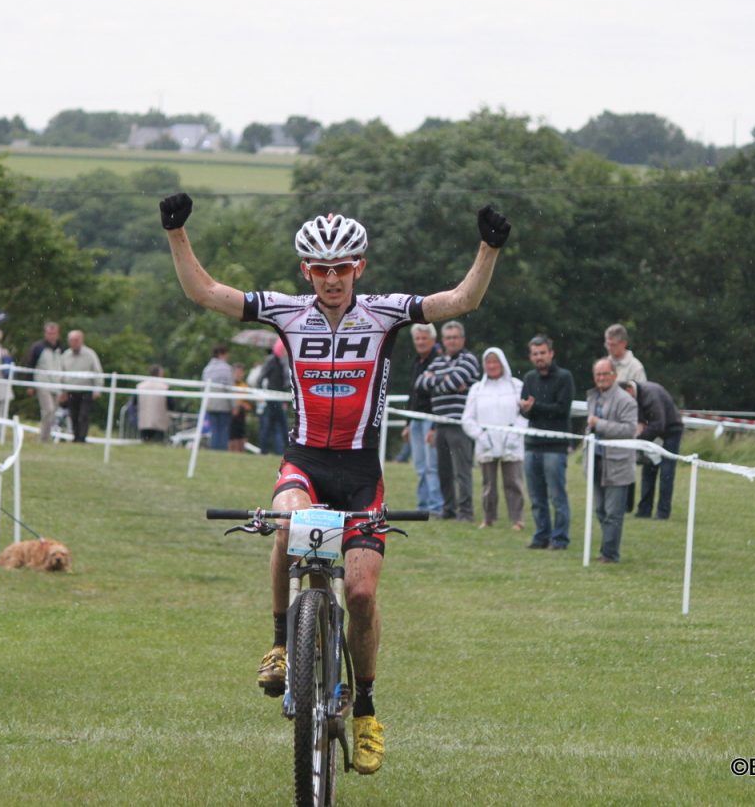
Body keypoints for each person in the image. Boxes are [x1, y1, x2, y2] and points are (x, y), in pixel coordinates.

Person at [158, 191, 511, 775]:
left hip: (360, 473)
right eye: (320, 269)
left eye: (341, 268)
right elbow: (207, 293)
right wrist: (177, 234)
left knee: (364, 595)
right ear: (307, 271)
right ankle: (280, 641)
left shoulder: (385, 312)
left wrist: (488, 248)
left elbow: (461, 300)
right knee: (288, 525)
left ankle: (367, 709)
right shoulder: (287, 311)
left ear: (358, 268)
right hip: (304, 461)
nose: (331, 279)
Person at [415, 321, 481, 522]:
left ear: (462, 339)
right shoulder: (439, 360)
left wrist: (436, 381)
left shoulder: (469, 359)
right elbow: (420, 384)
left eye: (455, 337)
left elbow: (447, 382)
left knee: (462, 471)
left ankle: (466, 512)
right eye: (448, 338)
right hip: (440, 423)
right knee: (444, 471)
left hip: (460, 424)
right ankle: (449, 509)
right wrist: (446, 382)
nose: (452, 341)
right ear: (443, 341)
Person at [460, 347, 526, 530]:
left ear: (502, 363)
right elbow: (467, 418)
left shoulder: (516, 386)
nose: (492, 366)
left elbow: (524, 414)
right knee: (488, 484)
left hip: (511, 443)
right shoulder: (477, 389)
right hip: (486, 444)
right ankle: (488, 518)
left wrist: (515, 434)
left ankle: (517, 519)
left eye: (495, 362)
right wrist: (481, 436)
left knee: (513, 482)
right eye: (488, 362)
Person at [518, 335, 574, 550]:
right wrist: (525, 409)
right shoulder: (530, 378)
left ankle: (560, 539)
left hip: (555, 446)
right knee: (536, 496)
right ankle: (541, 536)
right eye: (535, 354)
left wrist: (535, 408)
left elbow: (562, 409)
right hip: (532, 444)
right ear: (531, 356)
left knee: (557, 496)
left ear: (551, 353)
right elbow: (524, 412)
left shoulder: (564, 377)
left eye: (543, 353)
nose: (539, 357)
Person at [584, 358, 638, 563]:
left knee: (613, 513)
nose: (601, 378)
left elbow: (629, 430)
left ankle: (610, 553)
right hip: (596, 461)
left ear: (614, 376)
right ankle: (607, 548)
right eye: (598, 374)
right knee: (600, 509)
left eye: (605, 374)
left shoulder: (626, 401)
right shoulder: (592, 397)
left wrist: (601, 424)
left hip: (618, 463)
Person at [621, 379, 684, 519]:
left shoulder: (650, 395)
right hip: (654, 433)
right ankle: (644, 510)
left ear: (629, 390)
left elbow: (658, 424)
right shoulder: (633, 397)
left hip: (671, 432)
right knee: (648, 470)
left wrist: (638, 441)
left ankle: (663, 512)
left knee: (666, 473)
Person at [402, 323, 443, 514]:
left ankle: (436, 506)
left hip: (430, 418)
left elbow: (438, 396)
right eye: (417, 338)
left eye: (423, 338)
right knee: (419, 466)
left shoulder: (438, 362)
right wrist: (407, 423)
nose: (420, 342)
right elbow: (413, 393)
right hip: (415, 420)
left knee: (431, 465)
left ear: (433, 340)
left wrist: (435, 425)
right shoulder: (417, 362)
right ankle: (423, 505)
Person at [59, 329, 103, 443]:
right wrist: (61, 391)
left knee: (83, 415)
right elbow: (61, 374)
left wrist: (97, 389)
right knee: (73, 415)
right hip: (71, 390)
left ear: (81, 340)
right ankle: (75, 436)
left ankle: (82, 438)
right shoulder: (65, 355)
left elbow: (97, 372)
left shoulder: (90, 354)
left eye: (76, 340)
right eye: (72, 340)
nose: (74, 343)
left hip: (86, 390)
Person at [26, 322, 65, 442]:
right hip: (42, 383)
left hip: (57, 384)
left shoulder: (61, 348)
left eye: (54, 333)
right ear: (45, 334)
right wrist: (30, 384)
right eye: (49, 333)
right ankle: (44, 438)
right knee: (49, 409)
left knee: (53, 412)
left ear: (58, 334)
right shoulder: (38, 347)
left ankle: (48, 436)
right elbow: (30, 365)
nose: (51, 336)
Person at [256, 341, 291, 455]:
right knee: (278, 425)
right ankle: (269, 450)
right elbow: (260, 378)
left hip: (279, 397)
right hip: (272, 397)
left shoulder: (283, 361)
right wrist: (261, 393)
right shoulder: (272, 360)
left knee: (274, 425)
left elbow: (286, 383)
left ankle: (275, 451)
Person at [201, 345, 233, 451]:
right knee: (223, 430)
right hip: (223, 404)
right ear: (222, 354)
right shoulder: (226, 368)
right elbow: (229, 388)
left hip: (210, 403)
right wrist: (234, 405)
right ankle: (222, 450)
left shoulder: (207, 369)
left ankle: (214, 450)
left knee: (214, 430)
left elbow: (203, 387)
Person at [135, 365, 172, 443]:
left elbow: (134, 402)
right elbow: (171, 404)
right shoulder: (164, 387)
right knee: (158, 443)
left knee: (145, 443)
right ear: (159, 373)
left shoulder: (140, 386)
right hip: (159, 421)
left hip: (144, 420)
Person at [229, 361, 252, 452]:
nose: (239, 375)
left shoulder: (245, 386)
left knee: (241, 437)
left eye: (241, 372)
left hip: (241, 415)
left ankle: (241, 454)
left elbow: (248, 403)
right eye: (237, 372)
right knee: (231, 438)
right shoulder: (230, 385)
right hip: (231, 414)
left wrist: (245, 405)